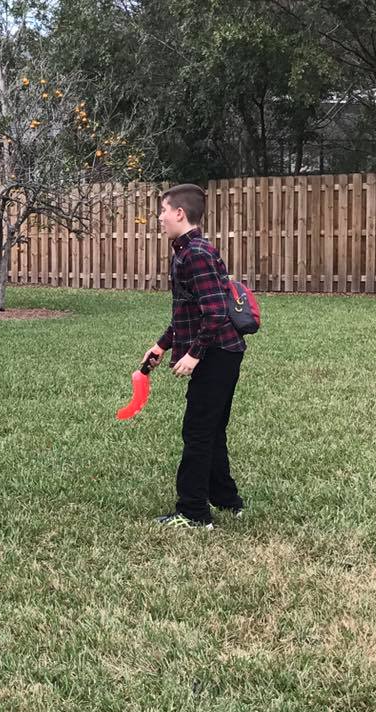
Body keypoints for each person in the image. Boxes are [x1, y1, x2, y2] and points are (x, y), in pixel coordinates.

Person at [143, 184, 246, 529]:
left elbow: (215, 312)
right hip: (221, 352)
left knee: (198, 432)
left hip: (217, 353)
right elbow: (187, 311)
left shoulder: (196, 253)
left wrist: (194, 355)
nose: (160, 218)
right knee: (212, 429)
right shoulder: (186, 252)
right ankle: (226, 499)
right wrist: (161, 346)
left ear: (179, 213)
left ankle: (193, 512)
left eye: (163, 210)